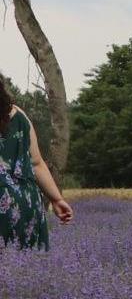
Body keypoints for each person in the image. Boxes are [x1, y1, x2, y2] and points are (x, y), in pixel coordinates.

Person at [0, 75, 73, 250]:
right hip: (27, 209)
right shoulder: (19, 115)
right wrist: (57, 199)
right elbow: (36, 163)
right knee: (25, 271)